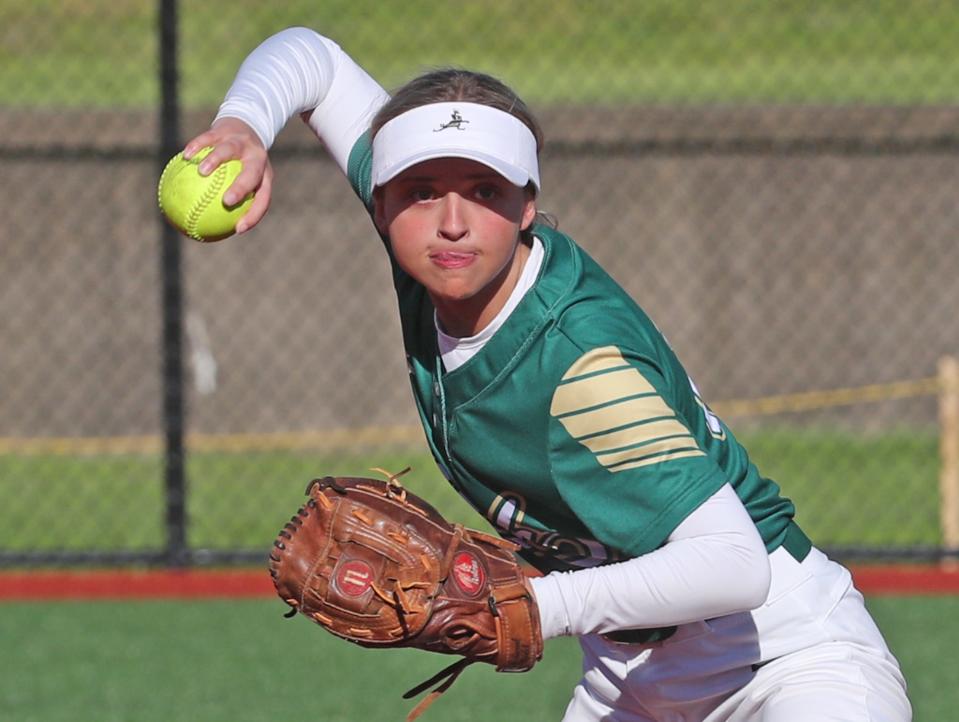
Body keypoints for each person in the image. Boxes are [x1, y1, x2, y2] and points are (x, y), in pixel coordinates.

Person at [184, 27, 912, 722]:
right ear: (380, 198)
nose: (452, 220)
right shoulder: (442, 251)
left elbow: (732, 564)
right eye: (420, 190)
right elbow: (311, 57)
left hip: (781, 664)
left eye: (484, 190)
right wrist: (244, 124)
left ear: (527, 203)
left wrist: (527, 606)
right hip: (629, 680)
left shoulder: (578, 362)